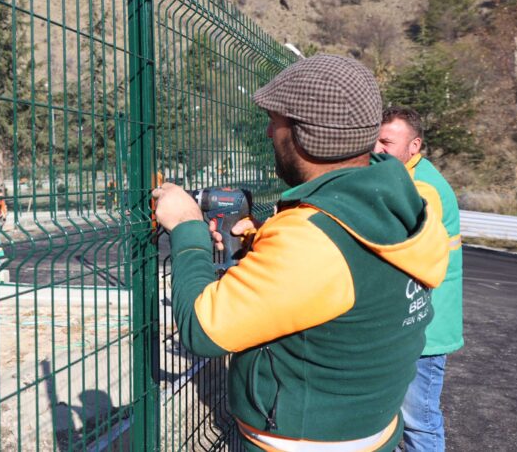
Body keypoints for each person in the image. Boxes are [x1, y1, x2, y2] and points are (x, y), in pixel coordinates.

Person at [154, 54, 450, 452]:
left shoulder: (314, 238)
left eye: (274, 122)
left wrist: (188, 228)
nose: (267, 133)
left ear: (303, 135)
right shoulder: (400, 200)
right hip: (371, 430)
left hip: (302, 442)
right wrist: (264, 250)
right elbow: (347, 284)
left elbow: (202, 331)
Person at [375, 106, 463, 452]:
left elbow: (402, 245)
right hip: (413, 322)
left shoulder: (423, 186)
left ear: (414, 146)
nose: (377, 149)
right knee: (399, 419)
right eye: (375, 140)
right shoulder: (403, 176)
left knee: (418, 421)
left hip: (425, 329)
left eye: (386, 142)